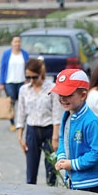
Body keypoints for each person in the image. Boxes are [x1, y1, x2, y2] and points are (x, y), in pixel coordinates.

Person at [51, 69, 98, 194]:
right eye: (60, 95)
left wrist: (72, 164)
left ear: (83, 95)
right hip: (74, 179)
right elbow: (62, 139)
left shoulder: (91, 122)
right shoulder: (67, 116)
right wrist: (61, 157)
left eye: (68, 95)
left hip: (89, 182)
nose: (63, 99)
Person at [15, 57, 60, 186]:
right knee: (31, 169)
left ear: (41, 74)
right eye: (28, 77)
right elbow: (21, 113)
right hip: (32, 130)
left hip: (48, 129)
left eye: (34, 77)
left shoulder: (52, 88)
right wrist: (20, 136)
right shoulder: (24, 90)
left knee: (51, 168)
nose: (31, 81)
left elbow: (56, 113)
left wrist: (55, 137)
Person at [0, 35, 29, 132]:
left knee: (22, 103)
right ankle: (12, 122)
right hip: (9, 82)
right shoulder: (7, 54)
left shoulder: (25, 54)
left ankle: (21, 122)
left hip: (22, 81)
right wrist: (1, 82)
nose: (17, 44)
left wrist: (28, 79)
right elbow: (3, 68)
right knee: (11, 103)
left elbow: (28, 67)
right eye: (15, 42)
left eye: (19, 42)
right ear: (11, 43)